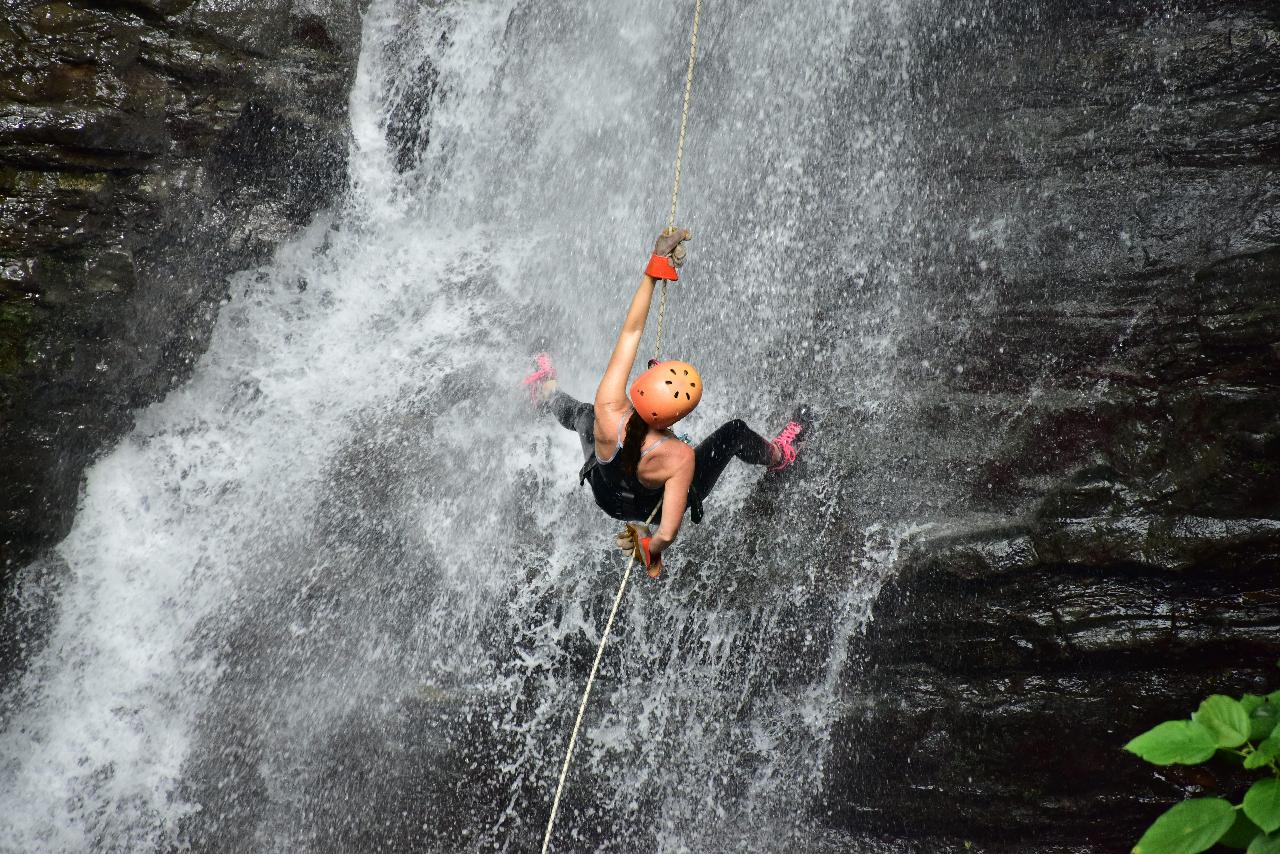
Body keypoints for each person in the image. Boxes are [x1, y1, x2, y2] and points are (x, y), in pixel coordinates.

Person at [523, 227, 806, 578]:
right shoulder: (679, 457)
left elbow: (631, 333)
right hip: (647, 507)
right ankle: (780, 456)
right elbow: (667, 533)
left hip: (603, 488)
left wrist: (654, 268)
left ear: (642, 387)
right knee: (734, 433)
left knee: (584, 414)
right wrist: (649, 547)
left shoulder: (609, 405)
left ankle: (547, 392)